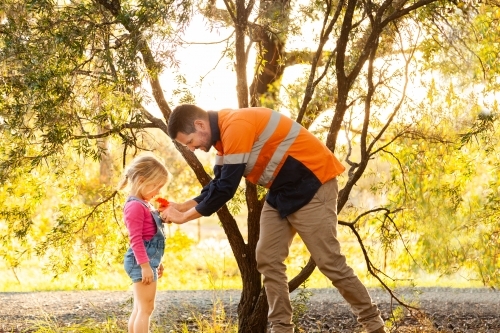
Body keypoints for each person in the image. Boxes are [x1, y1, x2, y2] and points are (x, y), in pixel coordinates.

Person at [163, 104, 387, 333]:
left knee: (329, 261)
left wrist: (184, 218)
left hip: (313, 183)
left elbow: (225, 190)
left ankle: (374, 325)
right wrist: (181, 206)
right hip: (282, 190)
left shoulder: (235, 126)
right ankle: (282, 329)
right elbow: (216, 186)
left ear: (200, 125)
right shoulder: (222, 140)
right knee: (267, 258)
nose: (192, 148)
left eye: (190, 142)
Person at [117, 154, 170, 333]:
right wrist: (146, 266)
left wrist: (157, 262)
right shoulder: (135, 206)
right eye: (156, 186)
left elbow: (151, 237)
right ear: (141, 180)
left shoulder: (144, 204)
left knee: (140, 309)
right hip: (141, 262)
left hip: (146, 261)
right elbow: (136, 239)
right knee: (146, 309)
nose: (158, 192)